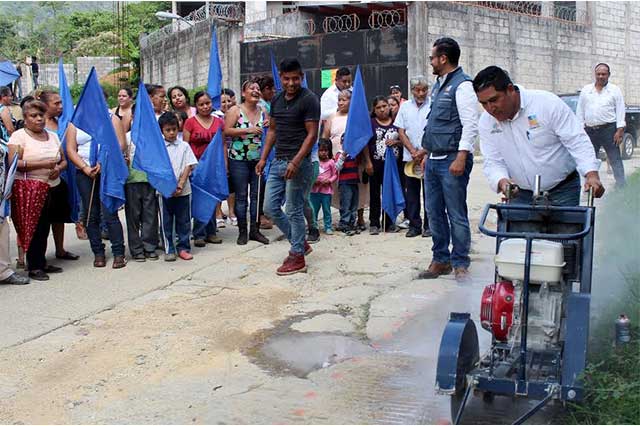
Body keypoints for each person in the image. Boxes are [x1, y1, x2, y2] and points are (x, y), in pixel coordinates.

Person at [474, 65, 605, 207]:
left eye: (494, 100)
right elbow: (493, 161)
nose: (490, 108)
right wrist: (501, 181)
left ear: (510, 90)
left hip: (562, 191)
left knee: (567, 228)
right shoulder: (486, 122)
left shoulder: (546, 104)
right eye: (483, 104)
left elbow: (576, 140)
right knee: (516, 230)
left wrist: (591, 174)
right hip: (520, 196)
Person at [419, 37, 478, 281]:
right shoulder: (439, 85)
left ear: (443, 58)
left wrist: (461, 157)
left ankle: (460, 262)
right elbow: (434, 122)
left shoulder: (463, 86)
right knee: (434, 212)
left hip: (453, 159)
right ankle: (440, 259)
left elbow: (470, 125)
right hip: (434, 159)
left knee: (456, 213)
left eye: (433, 57)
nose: (431, 61)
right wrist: (425, 152)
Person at [256, 58, 320, 275]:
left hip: (300, 163)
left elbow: (312, 135)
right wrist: (263, 158)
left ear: (301, 77)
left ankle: (297, 256)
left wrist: (295, 161)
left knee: (293, 209)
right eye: (286, 79)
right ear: (280, 79)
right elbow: (272, 130)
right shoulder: (276, 100)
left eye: (295, 78)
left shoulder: (309, 99)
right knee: (270, 208)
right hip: (278, 161)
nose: (291, 83)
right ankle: (299, 242)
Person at [8, 100, 67, 281]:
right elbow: (13, 163)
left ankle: (42, 261)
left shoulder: (53, 136)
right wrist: (42, 164)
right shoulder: (18, 137)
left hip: (53, 187)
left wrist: (58, 168)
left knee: (47, 226)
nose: (39, 119)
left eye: (41, 115)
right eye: (34, 116)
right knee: (35, 228)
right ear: (25, 118)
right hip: (30, 190)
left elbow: (63, 160)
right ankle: (34, 266)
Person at [66, 106, 128, 269]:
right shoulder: (75, 122)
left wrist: (103, 161)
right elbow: (71, 149)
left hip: (107, 171)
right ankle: (98, 252)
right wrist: (85, 167)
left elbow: (121, 144)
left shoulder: (112, 119)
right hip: (84, 172)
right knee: (90, 214)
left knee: (110, 212)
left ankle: (118, 252)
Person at [224, 79, 269, 246]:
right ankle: (242, 231)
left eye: (258, 88)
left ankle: (255, 231)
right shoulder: (235, 110)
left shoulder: (263, 110)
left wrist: (269, 123)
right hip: (238, 161)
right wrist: (247, 129)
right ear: (244, 93)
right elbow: (226, 131)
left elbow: (270, 130)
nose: (256, 91)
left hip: (258, 161)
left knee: (257, 197)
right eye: (252, 88)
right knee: (241, 197)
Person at [39, 90, 80, 262]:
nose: (60, 106)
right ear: (45, 105)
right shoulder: (37, 127)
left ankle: (60, 249)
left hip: (62, 177)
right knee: (41, 219)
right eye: (56, 103)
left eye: (61, 103)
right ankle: (35, 255)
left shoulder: (63, 124)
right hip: (40, 180)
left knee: (59, 216)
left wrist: (61, 167)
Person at [183, 91, 224, 247]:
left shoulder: (219, 122)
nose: (205, 106)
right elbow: (185, 146)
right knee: (200, 200)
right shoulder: (190, 122)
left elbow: (223, 144)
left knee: (212, 198)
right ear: (196, 106)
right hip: (196, 167)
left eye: (207, 103)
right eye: (201, 104)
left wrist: (224, 165)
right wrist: (188, 165)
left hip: (214, 167)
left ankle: (211, 232)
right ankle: (199, 233)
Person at [576, 63, 626, 188]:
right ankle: (589, 186)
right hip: (589, 130)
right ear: (595, 74)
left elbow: (620, 110)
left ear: (608, 75)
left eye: (603, 74)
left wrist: (619, 131)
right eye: (598, 74)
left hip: (608, 130)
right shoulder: (586, 90)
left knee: (615, 159)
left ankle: (622, 187)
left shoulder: (615, 90)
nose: (601, 76)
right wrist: (580, 129)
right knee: (588, 160)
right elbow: (580, 111)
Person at [158, 112, 198, 261]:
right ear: (161, 130)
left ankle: (184, 247)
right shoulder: (159, 148)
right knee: (166, 221)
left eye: (174, 129)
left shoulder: (184, 146)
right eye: (168, 130)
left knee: (184, 220)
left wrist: (180, 185)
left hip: (183, 190)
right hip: (164, 191)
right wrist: (168, 186)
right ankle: (169, 248)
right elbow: (157, 168)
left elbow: (189, 165)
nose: (171, 133)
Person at [394, 76, 431, 238]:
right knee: (412, 193)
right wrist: (413, 151)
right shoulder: (405, 107)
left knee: (430, 193)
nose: (421, 93)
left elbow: (434, 130)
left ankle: (429, 226)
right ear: (412, 90)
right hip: (410, 157)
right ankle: (415, 225)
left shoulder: (433, 105)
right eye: (417, 90)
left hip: (429, 156)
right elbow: (401, 131)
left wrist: (423, 152)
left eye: (424, 89)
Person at [124, 107, 159, 262]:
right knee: (133, 217)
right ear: (132, 116)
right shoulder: (126, 138)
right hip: (131, 181)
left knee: (150, 216)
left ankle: (149, 246)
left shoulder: (154, 138)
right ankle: (136, 249)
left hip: (149, 181)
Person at [368, 96, 402, 235]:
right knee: (375, 194)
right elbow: (365, 143)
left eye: (384, 106)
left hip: (393, 167)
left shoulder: (397, 122)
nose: (382, 109)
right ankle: (374, 223)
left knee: (390, 192)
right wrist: (367, 162)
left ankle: (389, 222)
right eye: (378, 107)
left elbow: (404, 139)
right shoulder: (370, 123)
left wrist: (397, 142)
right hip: (375, 164)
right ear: (374, 110)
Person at [215, 87, 237, 229]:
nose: (226, 104)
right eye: (223, 101)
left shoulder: (237, 114)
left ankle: (231, 212)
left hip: (234, 153)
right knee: (217, 184)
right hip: (218, 154)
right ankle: (218, 213)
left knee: (232, 184)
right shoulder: (215, 117)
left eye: (229, 100)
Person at [257, 77, 275, 230]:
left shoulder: (269, 104)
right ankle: (261, 214)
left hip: (272, 148)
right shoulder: (261, 107)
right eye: (270, 89)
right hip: (262, 148)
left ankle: (268, 212)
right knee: (263, 181)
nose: (273, 91)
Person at [310, 139, 338, 235]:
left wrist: (329, 180)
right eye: (321, 150)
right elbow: (309, 174)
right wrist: (314, 180)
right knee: (313, 210)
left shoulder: (331, 162)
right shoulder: (314, 163)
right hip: (314, 191)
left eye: (325, 150)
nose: (323, 153)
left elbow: (335, 175)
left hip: (326, 191)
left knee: (326, 209)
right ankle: (313, 226)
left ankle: (328, 226)